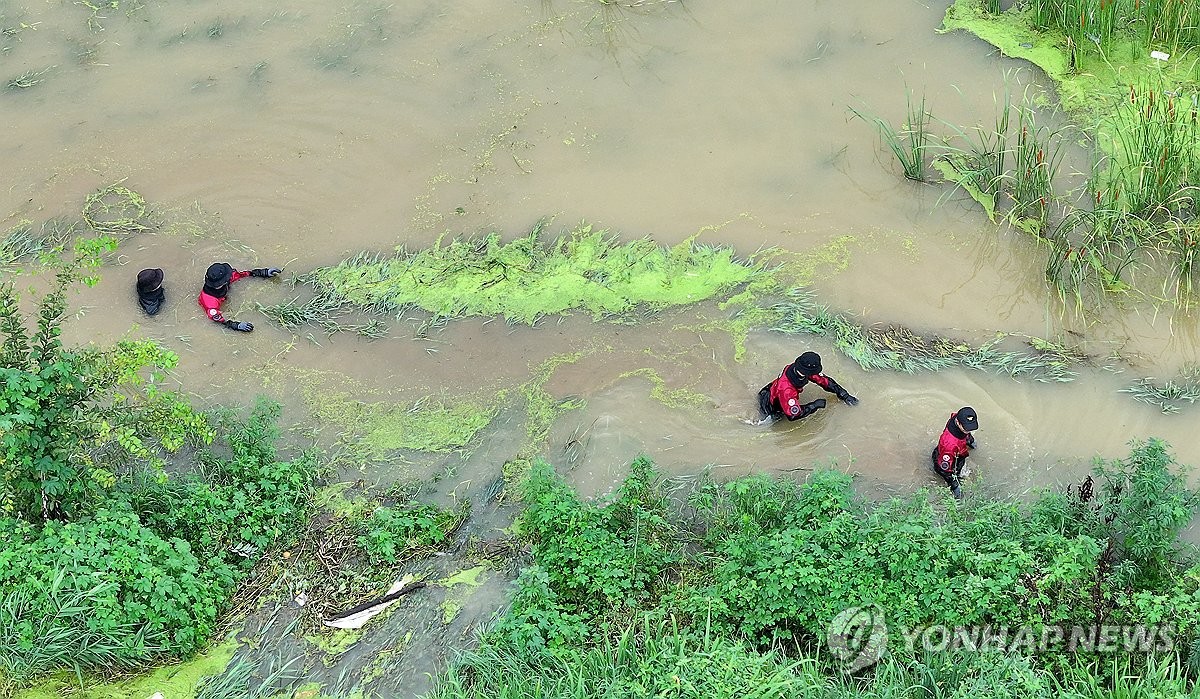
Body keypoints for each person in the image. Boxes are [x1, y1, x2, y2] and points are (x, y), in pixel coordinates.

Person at [757, 351, 859, 422]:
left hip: (772, 389)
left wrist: (843, 394)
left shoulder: (799, 368)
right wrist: (814, 405)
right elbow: (793, 415)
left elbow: (824, 381)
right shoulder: (787, 389)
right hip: (770, 406)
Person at [198, 262, 281, 332]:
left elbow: (242, 275)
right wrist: (235, 325)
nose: (230, 276)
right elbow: (218, 320)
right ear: (221, 283)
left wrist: (262, 272)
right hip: (217, 301)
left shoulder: (227, 279)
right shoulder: (209, 303)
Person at [931, 406, 978, 499]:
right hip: (945, 462)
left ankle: (971, 442)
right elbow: (945, 470)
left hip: (956, 449)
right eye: (966, 428)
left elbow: (966, 433)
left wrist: (970, 441)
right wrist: (954, 484)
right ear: (958, 423)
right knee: (957, 485)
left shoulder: (958, 418)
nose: (969, 430)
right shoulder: (949, 445)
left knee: (969, 439)